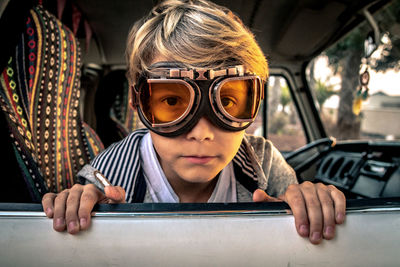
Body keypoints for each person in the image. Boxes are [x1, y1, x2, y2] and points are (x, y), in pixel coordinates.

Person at [42, 0, 346, 245]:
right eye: (172, 101)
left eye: (227, 102)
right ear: (138, 101)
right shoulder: (109, 175)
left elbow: (300, 222)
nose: (201, 133)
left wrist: (307, 201)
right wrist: (82, 204)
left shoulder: (263, 162)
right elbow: (80, 210)